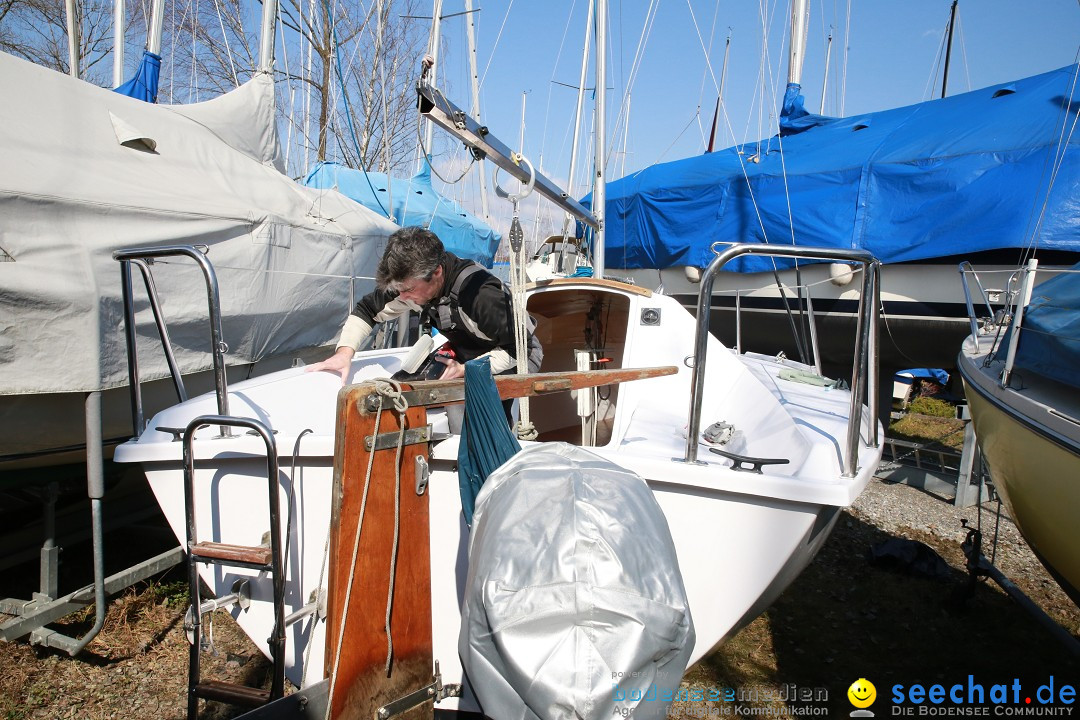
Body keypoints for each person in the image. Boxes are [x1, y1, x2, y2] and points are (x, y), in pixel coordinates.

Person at [307, 226, 542, 385]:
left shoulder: (482, 297)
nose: (403, 297)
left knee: (481, 415)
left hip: (515, 354)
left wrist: (465, 370)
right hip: (466, 350)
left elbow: (519, 349)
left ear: (436, 272)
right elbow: (367, 311)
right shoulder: (411, 284)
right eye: (399, 290)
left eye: (408, 290)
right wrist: (344, 353)